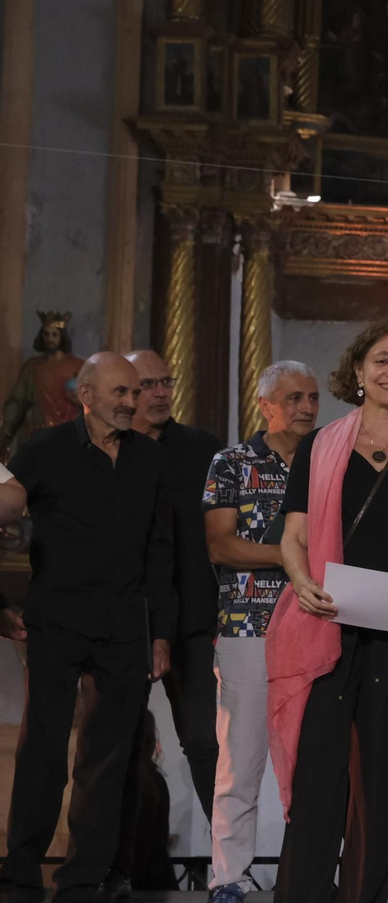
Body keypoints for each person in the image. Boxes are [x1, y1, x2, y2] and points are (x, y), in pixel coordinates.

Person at [266, 321, 388, 903]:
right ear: (358, 370)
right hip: (327, 628)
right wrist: (301, 584)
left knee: (382, 788)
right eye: (382, 360)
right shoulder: (321, 445)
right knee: (318, 782)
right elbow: (292, 537)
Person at [0, 353, 174, 903]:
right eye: (121, 392)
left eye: (136, 392)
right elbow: (5, 509)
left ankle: (81, 881)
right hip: (57, 624)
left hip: (125, 628)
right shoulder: (47, 450)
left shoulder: (150, 459)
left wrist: (161, 633)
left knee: (106, 761)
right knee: (43, 753)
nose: (131, 402)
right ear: (88, 396)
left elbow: (161, 550)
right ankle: (21, 874)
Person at [202, 361, 320, 903]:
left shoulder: (328, 462)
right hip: (248, 623)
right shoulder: (232, 462)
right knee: (242, 755)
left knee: (312, 758)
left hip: (315, 622)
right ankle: (229, 876)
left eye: (313, 397)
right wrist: (291, 556)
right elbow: (221, 546)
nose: (306, 407)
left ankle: (309, 873)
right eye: (293, 397)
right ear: (266, 406)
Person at [115, 350, 224, 885]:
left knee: (204, 743)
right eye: (146, 384)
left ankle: (230, 866)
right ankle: (121, 867)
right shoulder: (110, 451)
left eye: (165, 382)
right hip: (124, 620)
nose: (159, 393)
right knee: (116, 747)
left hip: (194, 621)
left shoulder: (206, 451)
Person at [0, 310, 85, 459]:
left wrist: (80, 403)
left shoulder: (78, 366)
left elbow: (91, 402)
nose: (49, 339)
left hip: (68, 433)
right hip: (36, 430)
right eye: (46, 334)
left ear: (62, 337)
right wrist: (7, 431)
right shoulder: (33, 366)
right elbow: (18, 401)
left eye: (54, 334)